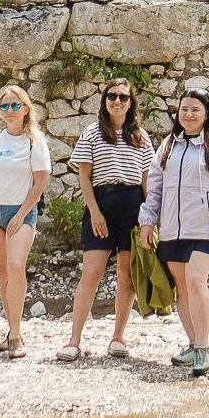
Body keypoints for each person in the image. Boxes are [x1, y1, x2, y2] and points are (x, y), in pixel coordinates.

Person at [139, 86, 209, 378]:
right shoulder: (169, 145)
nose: (189, 114)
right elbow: (155, 186)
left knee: (196, 280)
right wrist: (148, 220)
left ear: (207, 113)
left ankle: (204, 348)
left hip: (205, 228)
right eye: (184, 109)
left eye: (195, 109)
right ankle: (193, 344)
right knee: (181, 287)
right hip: (172, 229)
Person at [58, 78, 154, 361]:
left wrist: (150, 216)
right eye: (112, 96)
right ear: (105, 100)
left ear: (130, 102)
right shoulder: (92, 133)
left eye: (123, 97)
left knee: (127, 275)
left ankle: (118, 338)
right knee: (92, 273)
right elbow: (84, 176)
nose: (117, 101)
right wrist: (95, 211)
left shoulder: (141, 137)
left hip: (133, 205)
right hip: (101, 202)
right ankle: (74, 340)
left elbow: (148, 180)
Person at [0, 82, 54, 359]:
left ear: (26, 108)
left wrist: (21, 215)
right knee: (3, 274)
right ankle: (11, 331)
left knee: (17, 266)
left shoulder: (35, 142)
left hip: (20, 212)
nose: (9, 110)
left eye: (14, 105)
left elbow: (41, 181)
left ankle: (17, 334)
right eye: (4, 106)